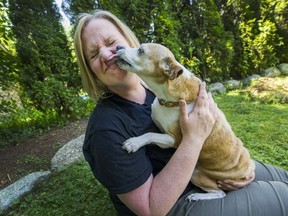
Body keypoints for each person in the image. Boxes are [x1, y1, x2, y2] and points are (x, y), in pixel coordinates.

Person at [74, 10, 288, 216]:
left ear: (130, 42)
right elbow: (151, 209)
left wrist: (229, 167)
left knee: (283, 177)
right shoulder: (105, 129)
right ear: (90, 69)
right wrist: (195, 139)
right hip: (178, 202)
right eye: (93, 54)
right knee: (284, 196)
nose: (105, 53)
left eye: (111, 42)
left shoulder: (159, 89)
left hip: (211, 168)